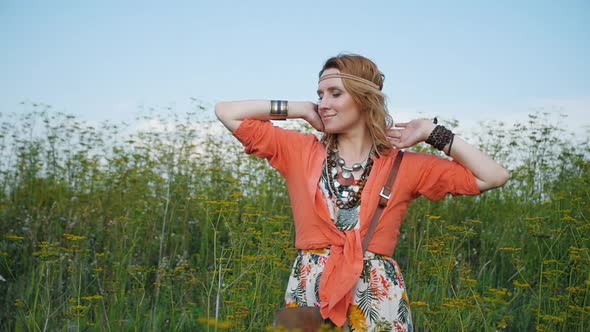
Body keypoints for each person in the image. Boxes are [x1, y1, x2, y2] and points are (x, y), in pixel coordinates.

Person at [215, 54, 509, 331]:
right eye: (320, 95)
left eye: (335, 93)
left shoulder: (404, 165)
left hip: (377, 296)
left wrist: (432, 132)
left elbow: (494, 176)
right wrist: (300, 108)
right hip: (309, 290)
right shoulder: (299, 151)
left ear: (364, 99)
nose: (323, 103)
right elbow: (226, 112)